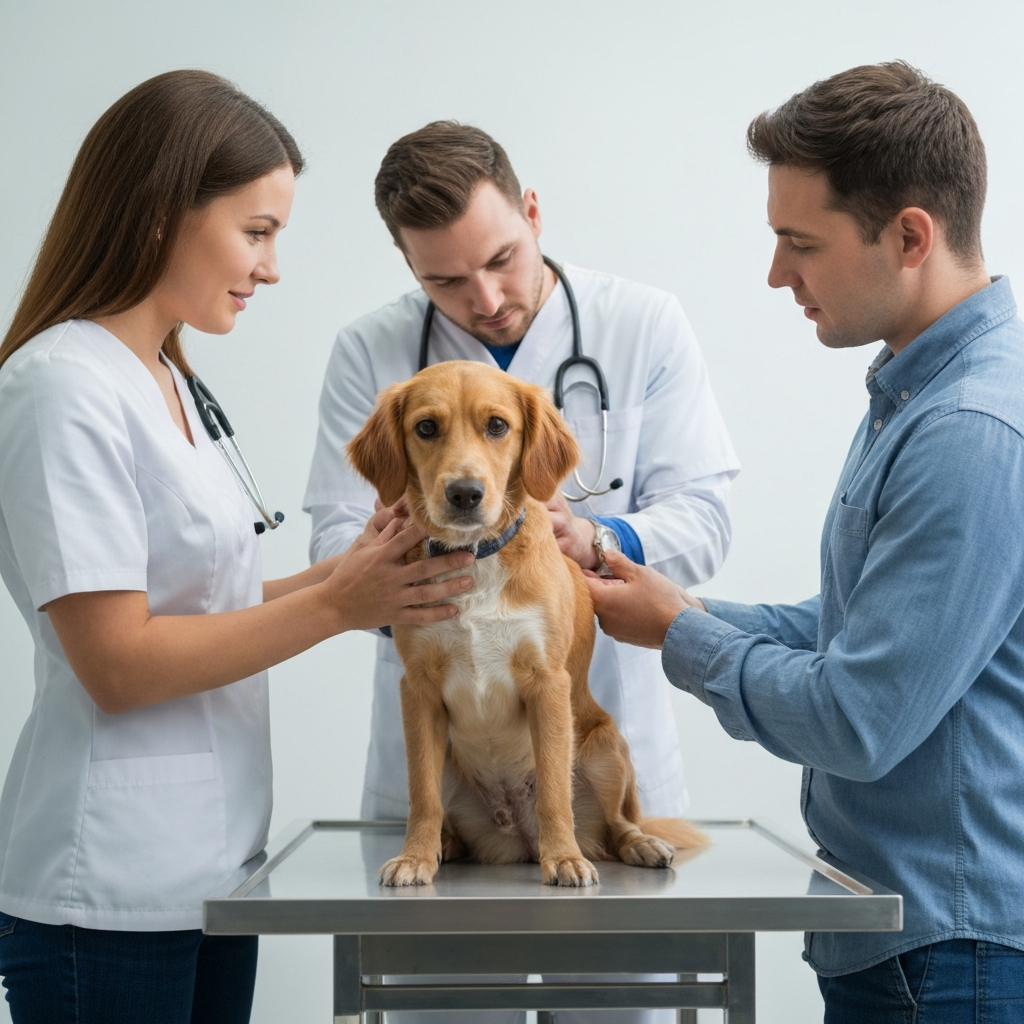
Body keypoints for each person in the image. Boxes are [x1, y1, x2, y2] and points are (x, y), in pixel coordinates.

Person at [0, 71, 473, 1024]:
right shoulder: (60, 386)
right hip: (109, 885)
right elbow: (119, 662)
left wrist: (351, 575)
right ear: (158, 213)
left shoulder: (166, 373)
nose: (270, 268)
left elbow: (201, 597)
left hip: (213, 872)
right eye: (256, 232)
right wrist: (340, 605)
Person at [587, 61, 1024, 1023]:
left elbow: (859, 720)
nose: (777, 273)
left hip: (949, 963)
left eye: (800, 243)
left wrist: (682, 640)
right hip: (907, 944)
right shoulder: (916, 398)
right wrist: (673, 607)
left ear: (910, 235)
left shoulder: (969, 430)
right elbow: (855, 624)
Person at [303, 121, 738, 1024]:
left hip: (586, 744)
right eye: (445, 280)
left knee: (617, 1009)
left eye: (502, 257)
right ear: (404, 263)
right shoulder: (370, 355)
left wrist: (592, 540)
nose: (487, 297)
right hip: (444, 770)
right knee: (440, 1010)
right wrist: (417, 572)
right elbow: (332, 548)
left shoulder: (642, 323)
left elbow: (704, 514)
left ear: (533, 212)